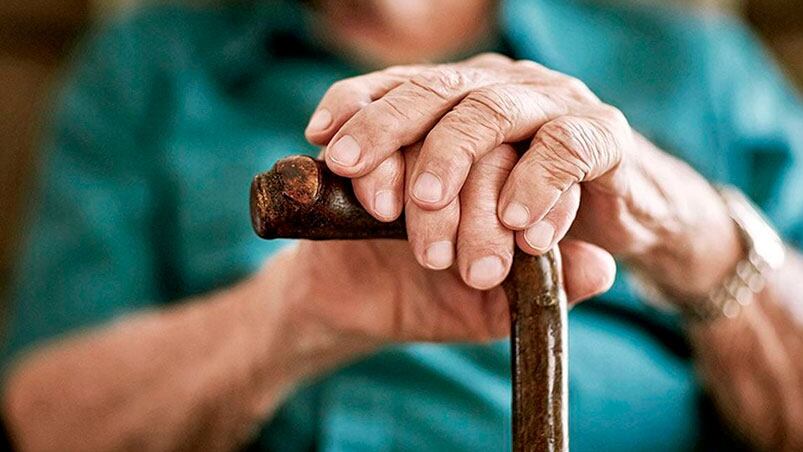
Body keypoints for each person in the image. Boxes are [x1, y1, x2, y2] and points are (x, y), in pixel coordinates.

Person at [1, 0, 802, 450]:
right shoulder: (143, 65)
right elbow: (48, 418)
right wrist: (293, 316)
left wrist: (685, 226)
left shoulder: (697, 65)